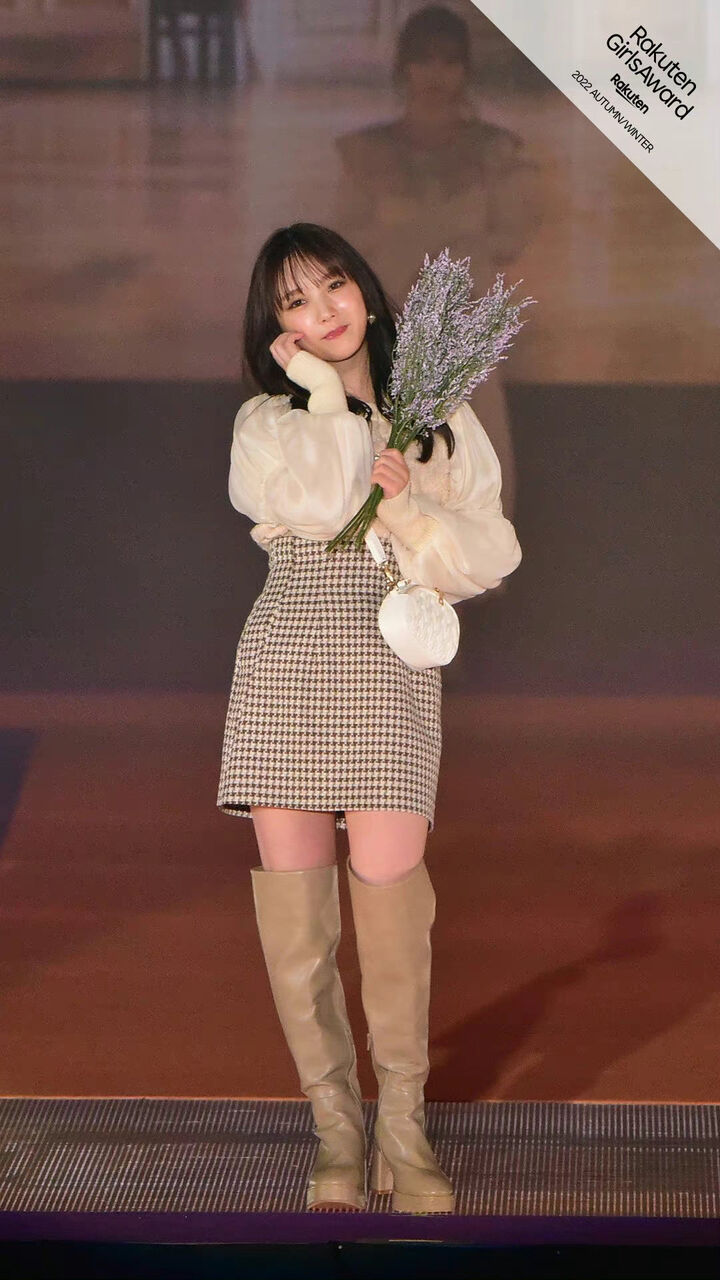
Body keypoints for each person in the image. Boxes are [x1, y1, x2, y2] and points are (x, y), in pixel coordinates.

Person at [216, 222, 522, 1213]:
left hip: (388, 660)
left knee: (392, 901)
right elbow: (307, 501)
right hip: (286, 655)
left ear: (368, 292)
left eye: (333, 285)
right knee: (296, 917)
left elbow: (492, 551)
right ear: (276, 328)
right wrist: (320, 397)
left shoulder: (437, 415)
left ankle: (404, 1125)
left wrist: (405, 505)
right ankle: (337, 1132)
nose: (322, 311)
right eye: (295, 302)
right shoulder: (268, 419)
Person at [335, 4, 544, 522]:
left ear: (465, 70)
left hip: (465, 333)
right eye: (423, 59)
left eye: (449, 61)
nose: (435, 74)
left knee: (477, 460)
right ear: (403, 67)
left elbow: (510, 235)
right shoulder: (367, 155)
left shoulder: (495, 152)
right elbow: (345, 243)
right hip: (389, 330)